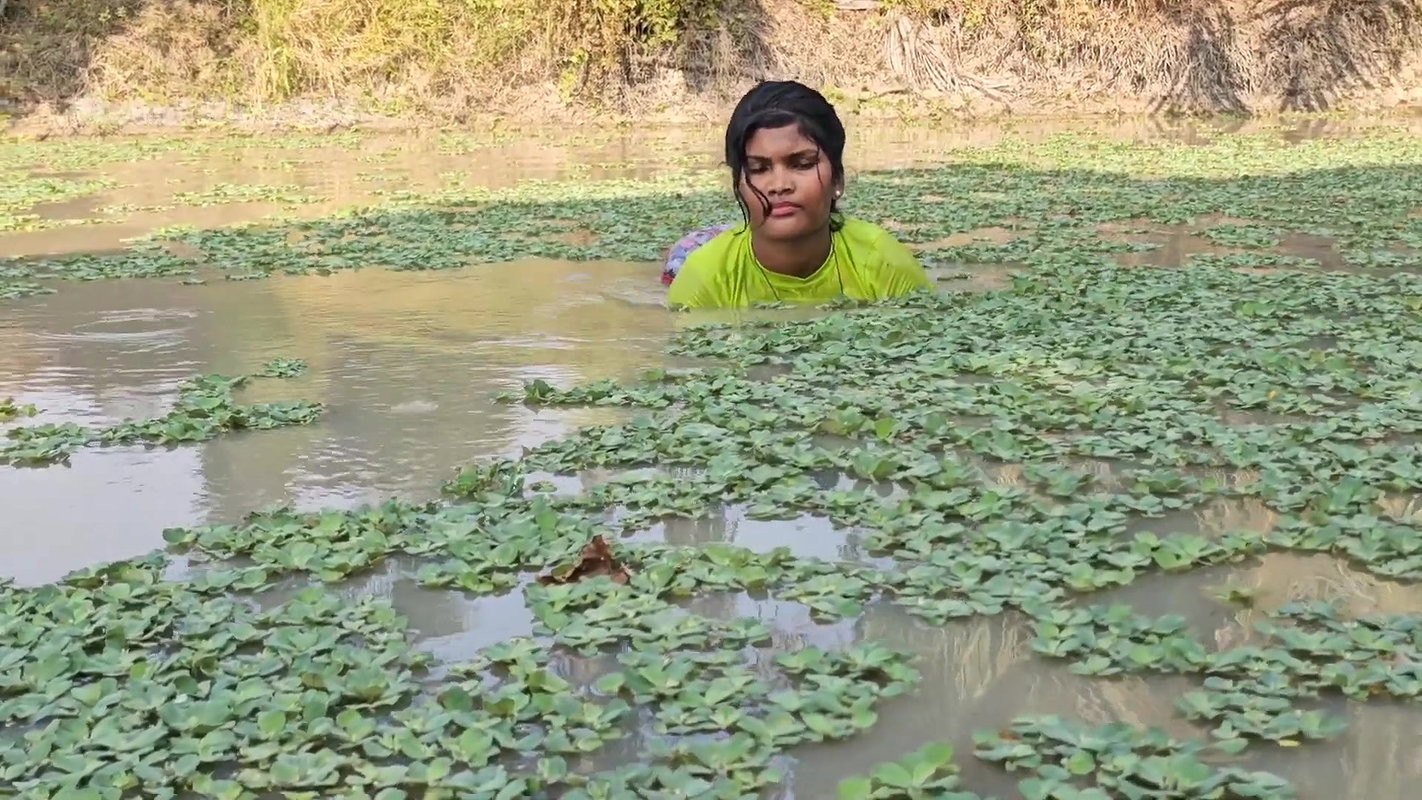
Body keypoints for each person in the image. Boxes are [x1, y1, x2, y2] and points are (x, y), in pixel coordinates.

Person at [664, 80, 932, 309]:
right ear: (738, 186)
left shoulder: (884, 262)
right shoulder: (704, 279)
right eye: (759, 169)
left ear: (837, 178)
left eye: (802, 164)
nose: (779, 185)